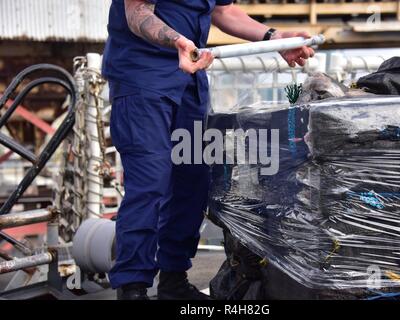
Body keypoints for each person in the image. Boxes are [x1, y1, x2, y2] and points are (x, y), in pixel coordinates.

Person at [102, 0, 315, 300]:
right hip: (143, 79)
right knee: (151, 182)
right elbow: (136, 12)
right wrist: (175, 39)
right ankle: (133, 287)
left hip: (189, 78)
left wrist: (272, 36)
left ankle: (173, 281)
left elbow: (223, 11)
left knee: (194, 180)